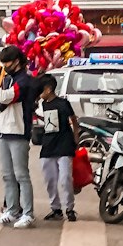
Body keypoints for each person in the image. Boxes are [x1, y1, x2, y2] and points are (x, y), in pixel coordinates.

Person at [0, 45, 37, 229]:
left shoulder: (24, 81)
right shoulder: (9, 79)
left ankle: (28, 213)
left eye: (7, 61)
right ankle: (13, 210)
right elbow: (1, 103)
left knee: (21, 175)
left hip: (19, 131)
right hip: (4, 131)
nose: (5, 65)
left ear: (17, 61)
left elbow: (7, 97)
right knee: (7, 175)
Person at [36, 73, 79, 222]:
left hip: (64, 144)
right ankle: (55, 208)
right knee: (50, 179)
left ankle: (70, 208)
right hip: (48, 146)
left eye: (40, 90)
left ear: (48, 89)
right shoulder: (43, 104)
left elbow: (74, 120)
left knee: (65, 178)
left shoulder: (63, 103)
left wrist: (76, 139)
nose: (39, 94)